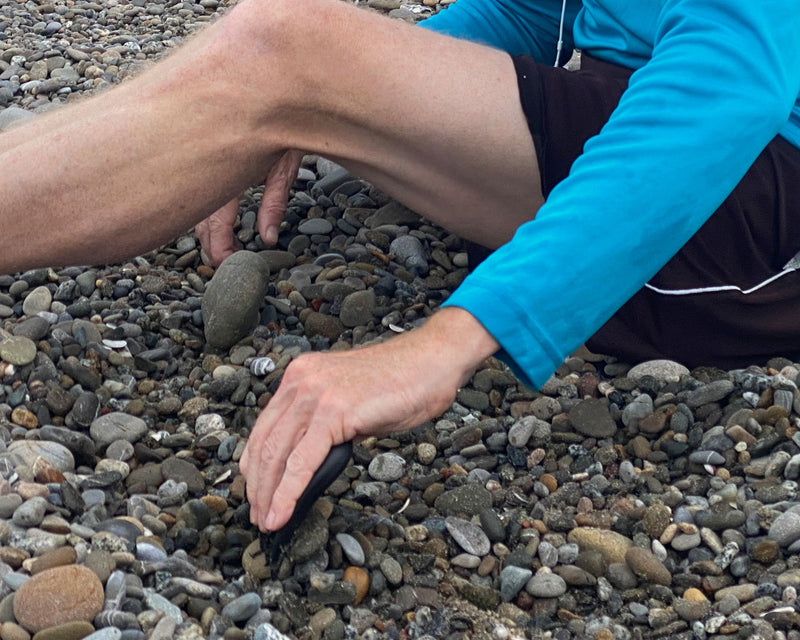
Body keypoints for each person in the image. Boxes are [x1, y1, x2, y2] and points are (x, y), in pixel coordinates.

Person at [1, 0, 799, 535]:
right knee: (276, 53)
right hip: (641, 106)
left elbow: (728, 88)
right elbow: (542, 13)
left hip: (742, 215)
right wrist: (327, 108)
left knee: (278, 44)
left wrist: (445, 341)